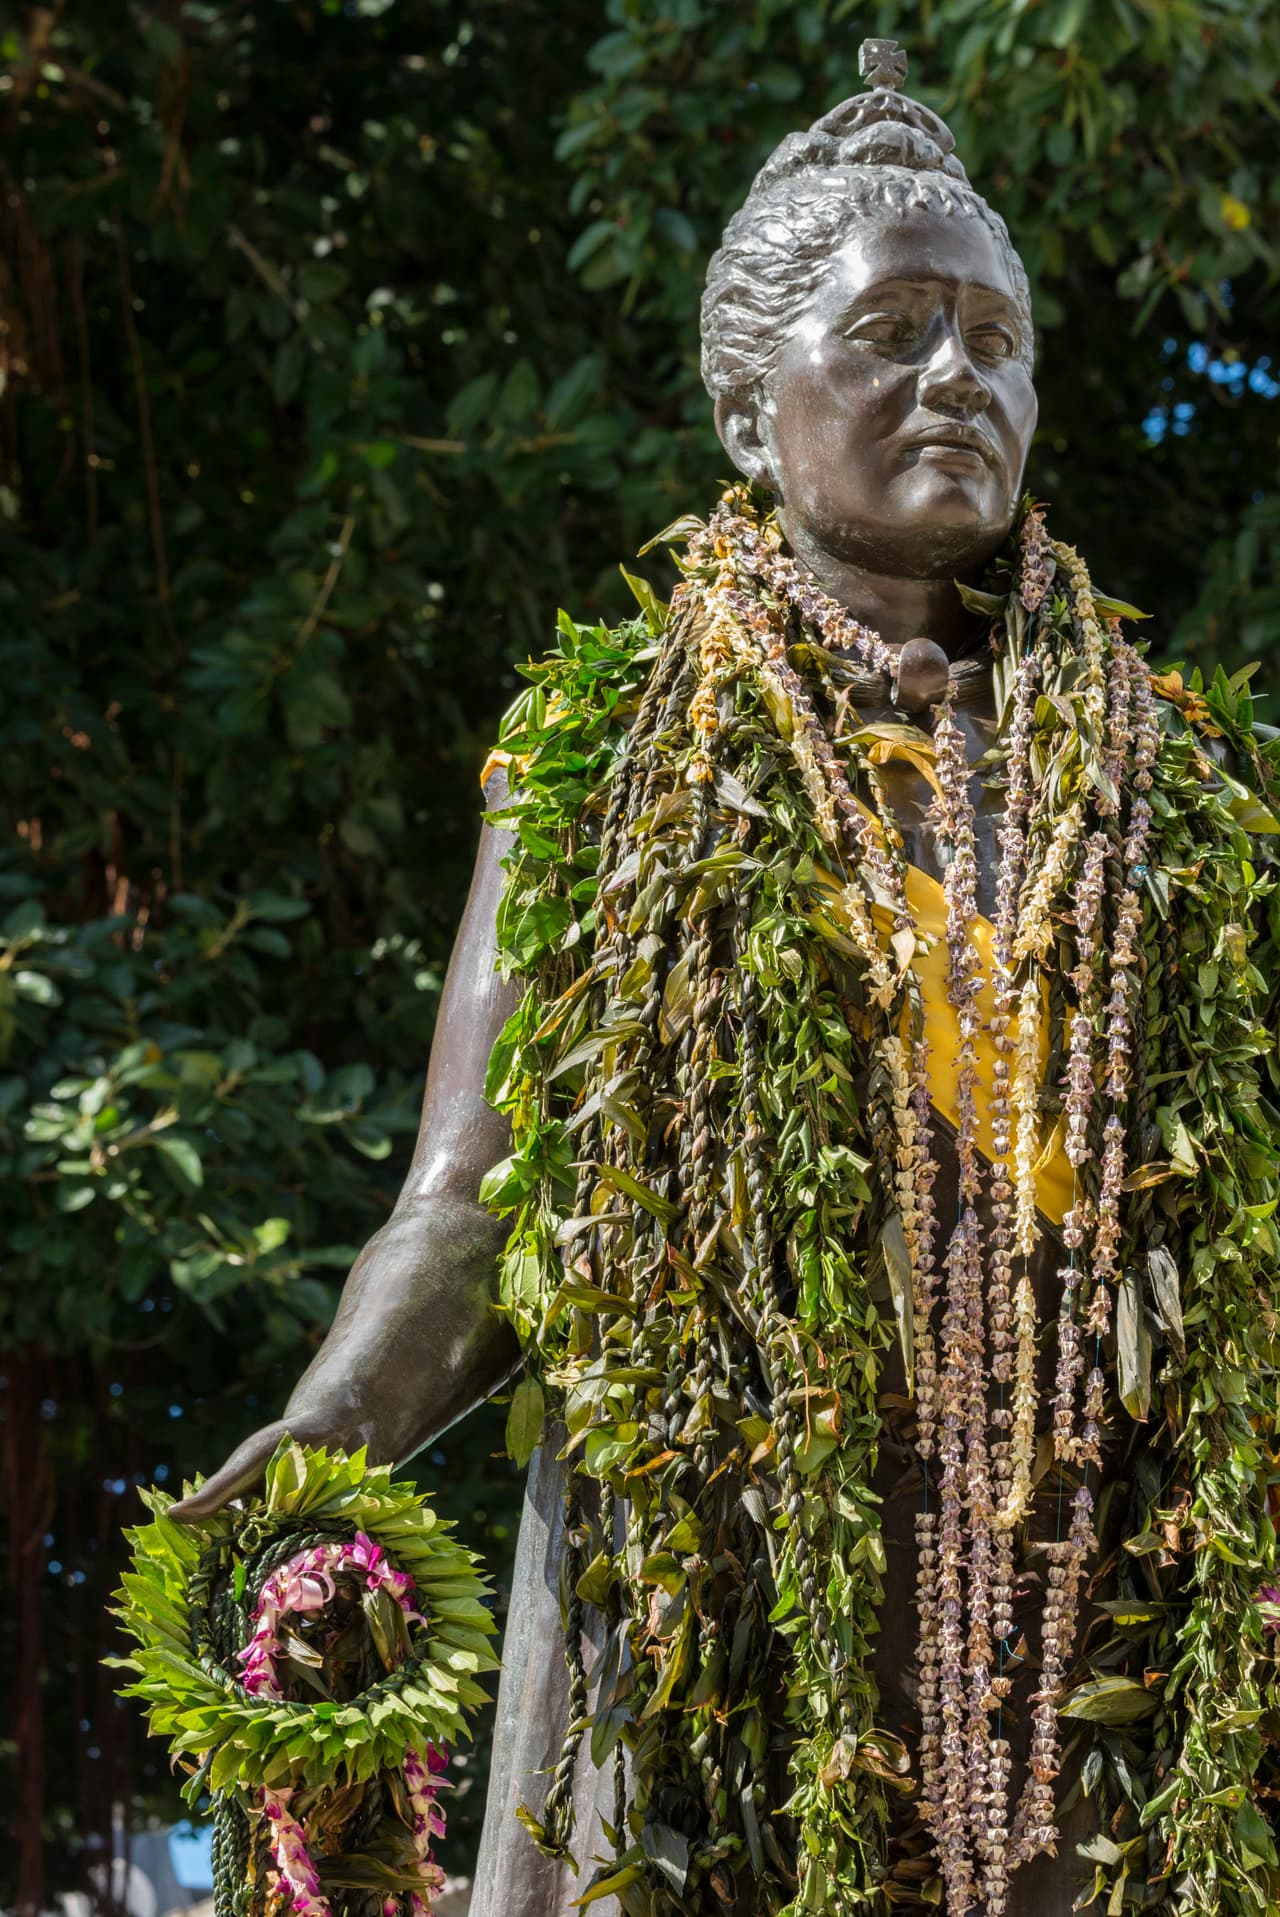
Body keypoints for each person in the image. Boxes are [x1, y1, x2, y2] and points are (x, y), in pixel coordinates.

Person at [176, 43, 1280, 1917]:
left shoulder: (1170, 783)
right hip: (716, 1598)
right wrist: (336, 1421)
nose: (960, 376)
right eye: (894, 331)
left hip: (1088, 1616)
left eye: (998, 341)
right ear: (752, 409)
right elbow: (472, 1199)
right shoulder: (603, 766)